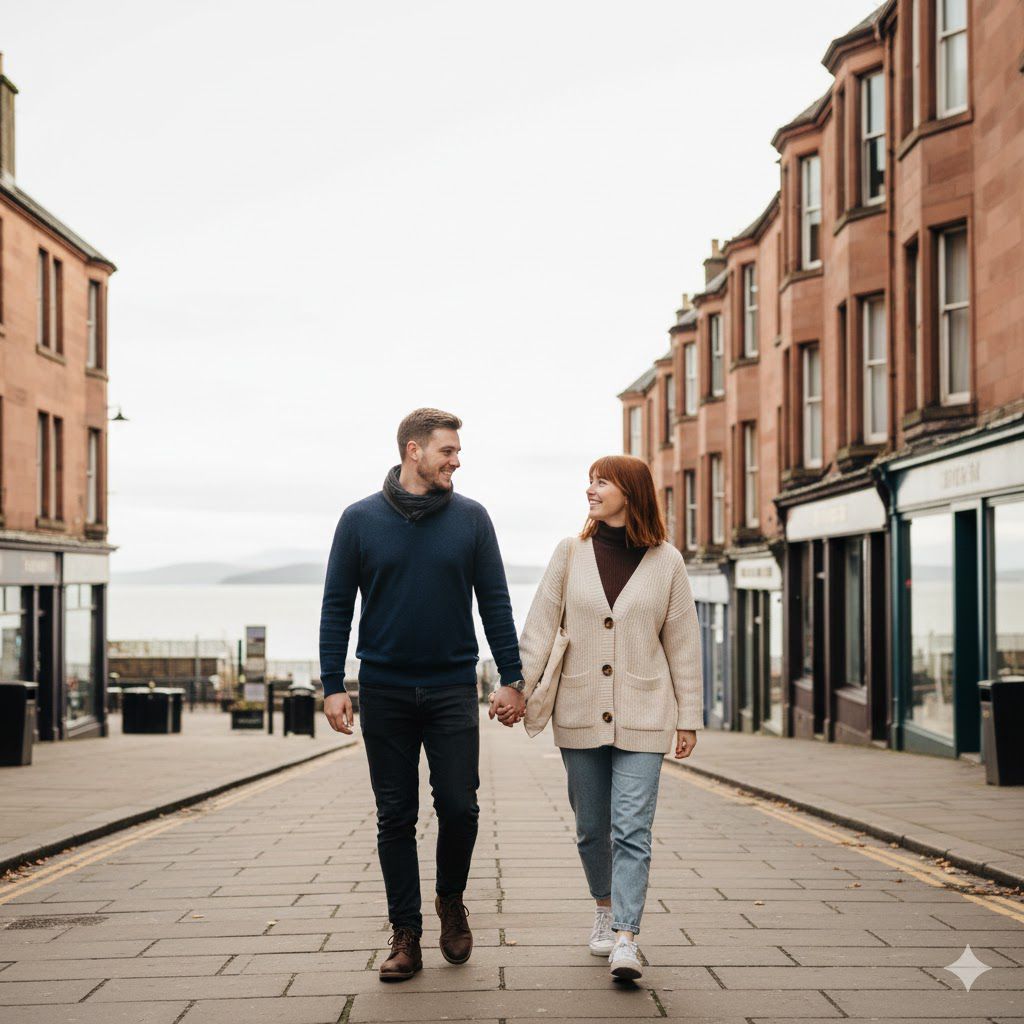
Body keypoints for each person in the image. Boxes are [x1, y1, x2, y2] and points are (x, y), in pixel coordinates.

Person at [319, 408, 527, 982]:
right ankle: (405, 933)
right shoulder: (359, 520)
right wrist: (333, 685)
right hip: (382, 688)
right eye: (447, 451)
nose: (456, 461)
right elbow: (337, 605)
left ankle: (450, 900)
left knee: (460, 807)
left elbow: (496, 603)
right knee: (395, 815)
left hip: (451, 686)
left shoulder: (471, 519)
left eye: (457, 452)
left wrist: (512, 677)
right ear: (414, 450)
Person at [492, 454, 701, 981]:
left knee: (632, 827)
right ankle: (604, 912)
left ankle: (627, 937)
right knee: (591, 829)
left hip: (647, 712)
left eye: (601, 481)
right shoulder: (570, 553)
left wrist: (689, 717)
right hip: (580, 709)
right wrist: (515, 685)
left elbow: (683, 645)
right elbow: (540, 628)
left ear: (630, 491)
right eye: (589, 480)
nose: (590, 489)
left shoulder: (667, 561)